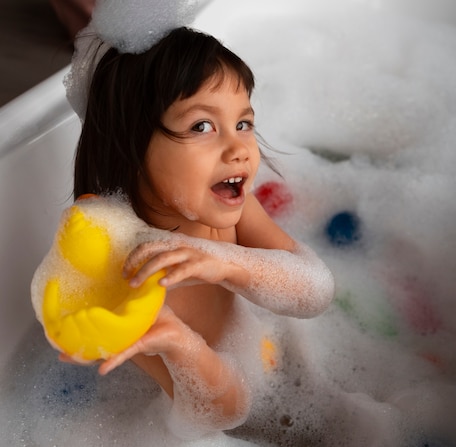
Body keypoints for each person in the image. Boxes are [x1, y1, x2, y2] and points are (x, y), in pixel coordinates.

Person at [68, 26, 335, 437]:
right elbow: (222, 414)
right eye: (202, 127)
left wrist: (225, 262)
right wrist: (178, 343)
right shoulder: (123, 271)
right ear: (130, 145)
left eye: (243, 123)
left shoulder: (228, 209)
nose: (239, 149)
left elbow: (314, 293)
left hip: (267, 368)